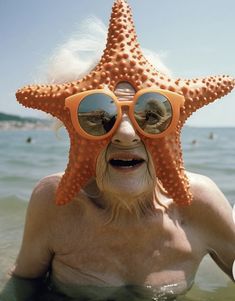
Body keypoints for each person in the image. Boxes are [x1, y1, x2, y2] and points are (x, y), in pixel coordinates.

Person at [1, 1, 235, 300]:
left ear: (174, 125)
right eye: (98, 115)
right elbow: (22, 283)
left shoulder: (201, 203)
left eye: (151, 114)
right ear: (73, 129)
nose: (126, 134)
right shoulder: (54, 202)